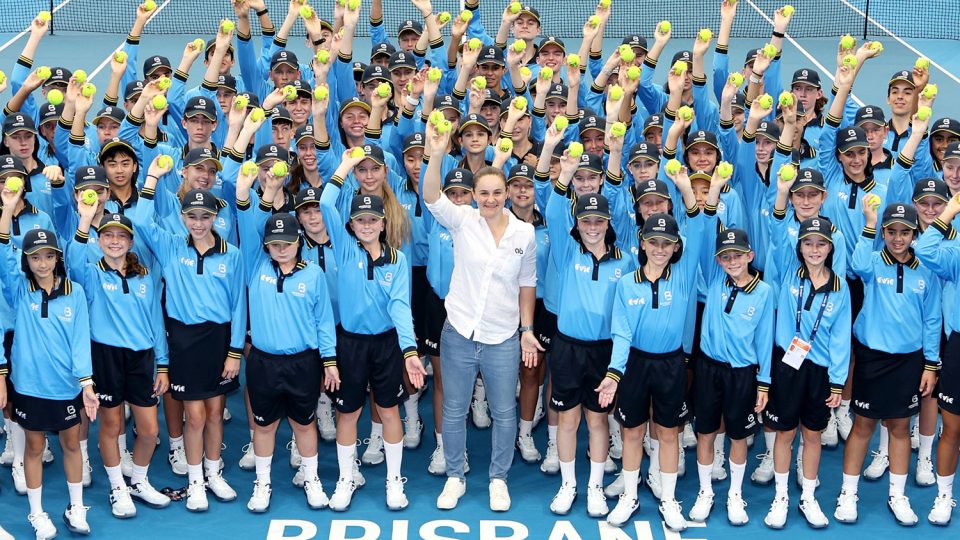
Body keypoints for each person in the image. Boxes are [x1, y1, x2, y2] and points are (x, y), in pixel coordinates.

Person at [421, 115, 539, 513]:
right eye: (483, 193)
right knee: (454, 409)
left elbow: (527, 284)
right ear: (473, 195)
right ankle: (456, 474)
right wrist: (436, 154)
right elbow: (431, 195)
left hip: (503, 337)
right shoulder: (462, 221)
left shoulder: (525, 233)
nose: (489, 199)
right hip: (458, 332)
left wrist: (526, 330)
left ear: (507, 194)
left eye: (496, 193)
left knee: (505, 412)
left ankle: (498, 478)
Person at [596, 165, 708, 532]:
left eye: (667, 244)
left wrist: (686, 191)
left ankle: (668, 499)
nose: (660, 249)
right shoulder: (628, 283)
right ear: (642, 242)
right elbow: (622, 333)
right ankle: (629, 496)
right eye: (653, 242)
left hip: (671, 364)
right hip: (636, 366)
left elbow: (702, 227)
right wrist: (614, 375)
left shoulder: (686, 270)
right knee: (631, 432)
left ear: (676, 247)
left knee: (669, 431)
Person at [134, 157, 245, 512]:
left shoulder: (233, 253)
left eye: (205, 217)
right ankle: (195, 480)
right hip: (183, 340)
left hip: (219, 339)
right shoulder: (169, 246)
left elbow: (238, 305)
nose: (198, 223)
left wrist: (235, 350)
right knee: (194, 416)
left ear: (216, 218)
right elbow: (138, 219)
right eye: (192, 217)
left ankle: (213, 474)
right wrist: (151, 177)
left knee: (215, 413)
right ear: (182, 218)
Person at [319, 148, 423, 512]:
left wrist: (410, 353)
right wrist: (345, 165)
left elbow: (399, 307)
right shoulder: (345, 248)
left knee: (389, 410)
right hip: (349, 344)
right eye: (359, 220)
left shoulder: (397, 259)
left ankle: (395, 482)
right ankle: (346, 478)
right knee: (348, 413)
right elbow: (326, 201)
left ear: (382, 223)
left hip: (385, 345)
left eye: (372, 220)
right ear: (351, 224)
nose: (365, 225)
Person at [235, 168, 338, 512]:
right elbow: (252, 223)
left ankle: (311, 479)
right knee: (263, 427)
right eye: (274, 244)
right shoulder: (255, 264)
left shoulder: (314, 274)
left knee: (304, 423)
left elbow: (324, 321)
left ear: (299, 243)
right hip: (263, 361)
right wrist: (266, 191)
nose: (280, 249)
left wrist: (330, 362)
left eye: (287, 243)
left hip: (302, 362)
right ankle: (262, 484)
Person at [0, 186, 99, 539]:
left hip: (66, 387)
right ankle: (37, 514)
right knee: (35, 447)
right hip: (29, 386)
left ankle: (75, 508)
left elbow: (79, 342)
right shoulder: (18, 289)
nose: (41, 263)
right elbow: (3, 256)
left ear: (58, 257)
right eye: (34, 257)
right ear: (26, 261)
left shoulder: (75, 292)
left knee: (72, 445)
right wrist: (7, 211)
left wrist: (86, 384)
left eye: (48, 256)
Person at [834, 201, 940, 526]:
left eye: (904, 232)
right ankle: (847, 494)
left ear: (914, 233)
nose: (897, 238)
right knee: (863, 425)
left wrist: (931, 364)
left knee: (899, 427)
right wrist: (868, 223)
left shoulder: (926, 269)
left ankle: (898, 495)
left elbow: (933, 319)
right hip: (872, 358)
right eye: (891, 232)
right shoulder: (872, 263)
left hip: (908, 361)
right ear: (883, 233)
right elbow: (856, 263)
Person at [67, 206, 171, 517]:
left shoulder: (145, 276)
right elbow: (72, 259)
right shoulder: (91, 273)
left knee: (150, 430)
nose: (114, 241)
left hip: (141, 359)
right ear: (99, 241)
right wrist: (85, 220)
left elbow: (155, 320)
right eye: (108, 236)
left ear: (130, 241)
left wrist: (163, 364)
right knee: (111, 426)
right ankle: (117, 487)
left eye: (121, 236)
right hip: (106, 358)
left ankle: (138, 481)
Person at [544, 158, 635, 517]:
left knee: (598, 420)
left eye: (599, 220)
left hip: (604, 351)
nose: (592, 227)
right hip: (567, 348)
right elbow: (553, 208)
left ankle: (595, 487)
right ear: (576, 224)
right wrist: (564, 173)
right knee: (567, 420)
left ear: (608, 222)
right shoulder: (567, 250)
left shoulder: (624, 260)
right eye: (586, 221)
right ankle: (569, 485)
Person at [763, 215, 852, 530]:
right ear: (799, 247)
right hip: (788, 366)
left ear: (831, 247)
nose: (814, 250)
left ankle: (809, 497)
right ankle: (781, 497)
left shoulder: (839, 288)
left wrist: (838, 381)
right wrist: (784, 193)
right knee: (785, 433)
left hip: (820, 372)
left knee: (813, 435)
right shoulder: (789, 272)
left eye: (821, 244)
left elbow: (841, 337)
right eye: (808, 243)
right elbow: (776, 232)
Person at [688, 224, 774, 526]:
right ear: (718, 261)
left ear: (750, 255)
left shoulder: (764, 292)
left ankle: (735, 494)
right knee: (706, 432)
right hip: (708, 368)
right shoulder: (714, 279)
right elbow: (701, 234)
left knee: (739, 435)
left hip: (742, 374)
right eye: (726, 257)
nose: (732, 261)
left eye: (738, 255)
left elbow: (765, 339)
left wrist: (764, 381)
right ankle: (705, 491)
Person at [915, 193, 960, 526]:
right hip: (958, 345)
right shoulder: (956, 249)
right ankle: (945, 496)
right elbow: (925, 250)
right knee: (953, 428)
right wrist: (951, 210)